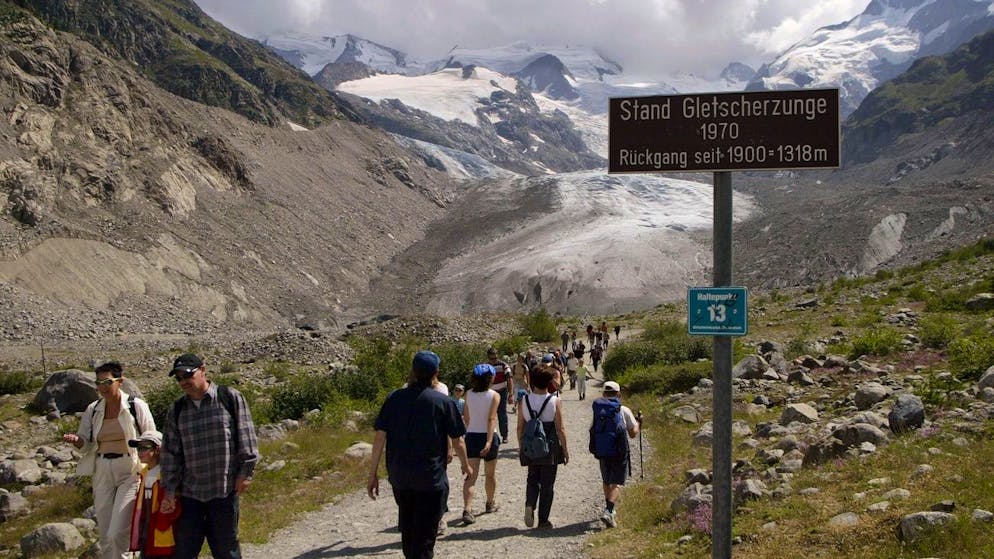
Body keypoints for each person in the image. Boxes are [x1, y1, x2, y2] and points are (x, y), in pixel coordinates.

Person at [368, 351, 472, 559]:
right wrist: (466, 465)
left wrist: (372, 474)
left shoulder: (394, 398)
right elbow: (458, 440)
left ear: (413, 371)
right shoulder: (443, 402)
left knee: (408, 532)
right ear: (436, 373)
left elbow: (379, 438)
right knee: (424, 539)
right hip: (430, 478)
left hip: (400, 477)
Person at [160, 353, 260, 559]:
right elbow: (170, 453)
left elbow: (246, 436)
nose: (183, 381)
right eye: (179, 378)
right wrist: (169, 490)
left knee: (226, 550)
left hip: (224, 491)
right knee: (184, 552)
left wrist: (246, 473)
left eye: (188, 375)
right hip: (190, 495)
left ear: (203, 370)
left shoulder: (229, 397)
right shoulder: (177, 410)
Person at [63, 361, 156, 559]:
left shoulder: (135, 406)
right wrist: (77, 441)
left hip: (129, 470)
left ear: (119, 381)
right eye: (98, 383)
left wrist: (151, 467)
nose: (102, 387)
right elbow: (86, 443)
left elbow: (152, 436)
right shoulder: (93, 409)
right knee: (105, 534)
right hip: (102, 469)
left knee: (117, 532)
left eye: (107, 382)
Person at [516, 367, 568, 529]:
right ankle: (543, 520)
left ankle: (530, 503)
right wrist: (565, 450)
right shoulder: (555, 401)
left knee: (532, 478)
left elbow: (519, 427)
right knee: (547, 484)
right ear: (549, 383)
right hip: (549, 445)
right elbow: (560, 428)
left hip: (530, 444)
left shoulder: (524, 400)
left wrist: (521, 446)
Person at [593, 381, 640, 528]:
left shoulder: (598, 410)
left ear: (603, 393)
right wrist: (638, 423)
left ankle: (610, 511)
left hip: (602, 449)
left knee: (606, 480)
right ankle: (609, 510)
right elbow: (633, 433)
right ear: (618, 394)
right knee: (617, 482)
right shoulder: (623, 410)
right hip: (619, 450)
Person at [128, 430, 180, 557]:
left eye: (144, 448)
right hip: (147, 530)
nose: (140, 452)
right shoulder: (143, 473)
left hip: (163, 532)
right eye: (138, 448)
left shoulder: (166, 474)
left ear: (158, 450)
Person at [460, 363, 501, 525]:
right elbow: (491, 419)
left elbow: (467, 418)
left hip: (472, 436)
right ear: (490, 378)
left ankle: (467, 509)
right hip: (488, 436)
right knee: (490, 474)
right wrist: (489, 441)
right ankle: (490, 503)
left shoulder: (468, 394)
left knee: (471, 476)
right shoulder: (494, 395)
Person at [485, 348, 513, 443]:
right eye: (492, 358)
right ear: (488, 357)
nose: (494, 360)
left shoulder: (503, 365)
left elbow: (509, 379)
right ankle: (490, 435)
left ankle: (504, 435)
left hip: (502, 392)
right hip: (489, 394)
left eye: (495, 358)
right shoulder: (485, 367)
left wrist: (511, 394)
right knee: (489, 415)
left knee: (502, 414)